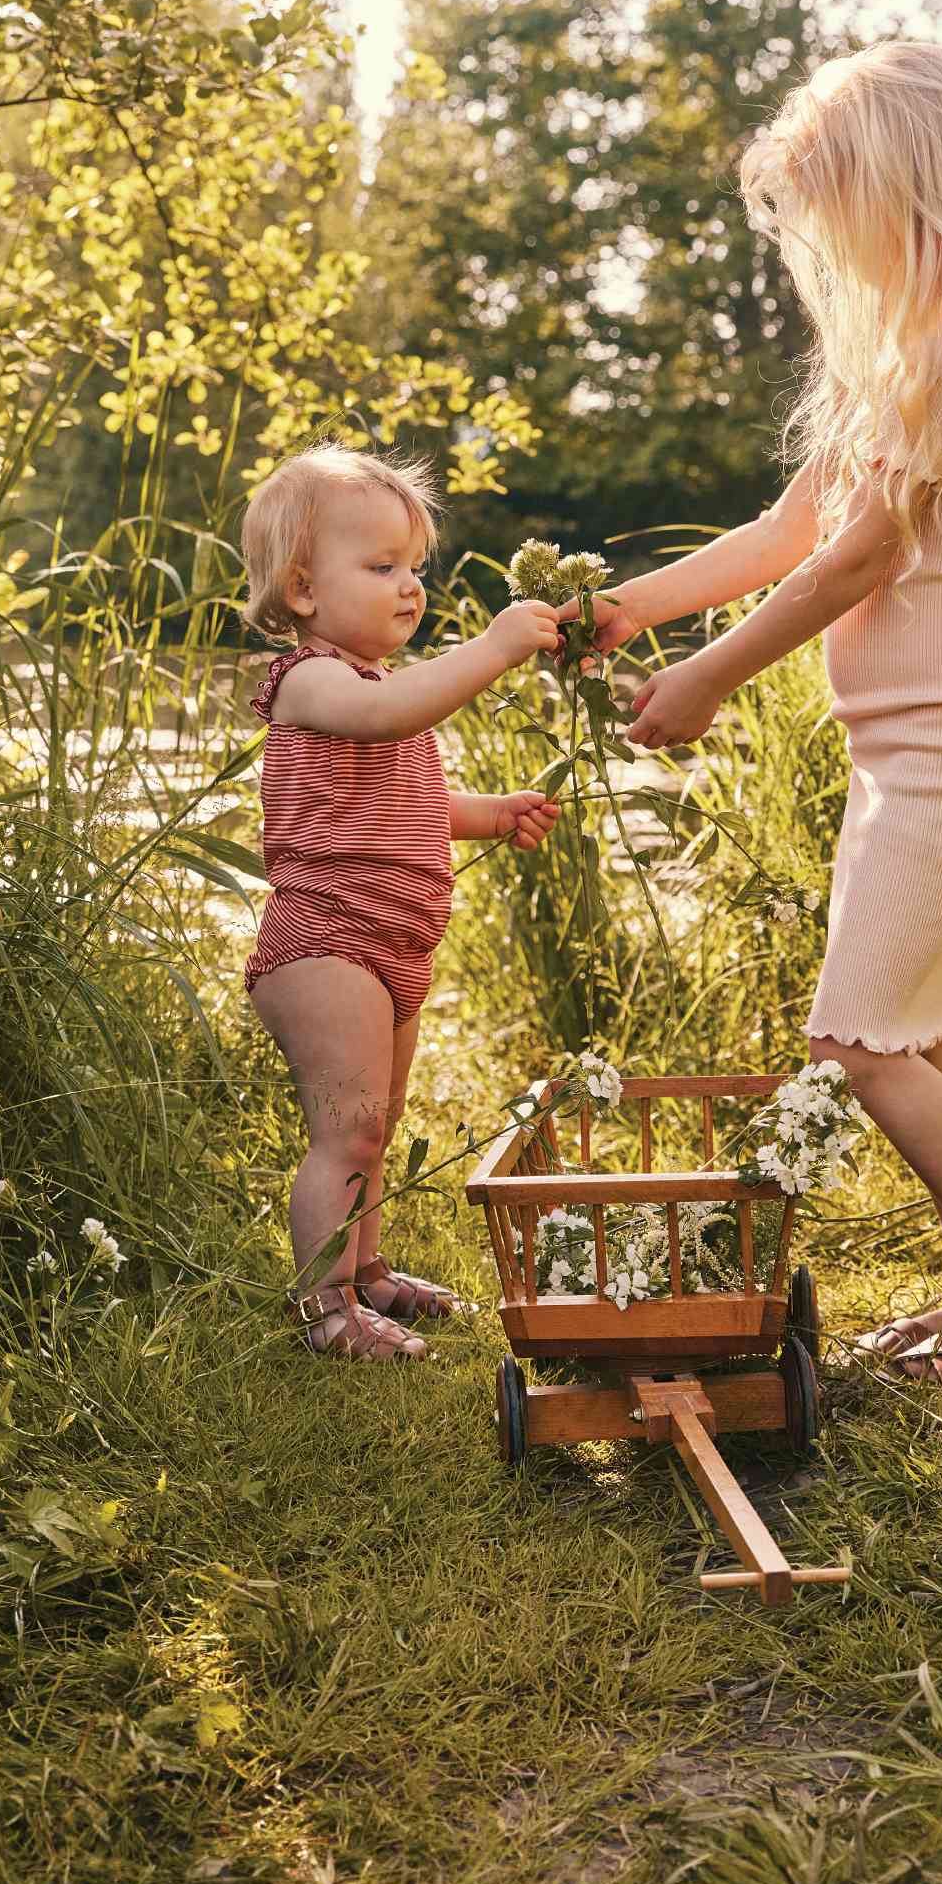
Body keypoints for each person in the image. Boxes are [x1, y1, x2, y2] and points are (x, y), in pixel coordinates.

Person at [565, 41, 942, 1387]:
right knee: (915, 1031)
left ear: (912, 192)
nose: (827, 242)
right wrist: (633, 609)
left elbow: (861, 560)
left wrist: (709, 676)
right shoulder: (899, 366)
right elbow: (784, 530)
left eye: (838, 205)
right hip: (900, 754)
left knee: (855, 1041)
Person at [242, 445, 561, 1360]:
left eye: (414, 567)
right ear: (302, 590)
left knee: (376, 1127)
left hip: (395, 943)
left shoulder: (375, 686)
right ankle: (327, 1306)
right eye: (382, 567)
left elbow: (411, 797)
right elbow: (395, 720)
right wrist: (495, 647)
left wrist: (489, 815)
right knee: (347, 1127)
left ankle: (367, 1269)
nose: (410, 586)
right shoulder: (312, 681)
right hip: (326, 939)